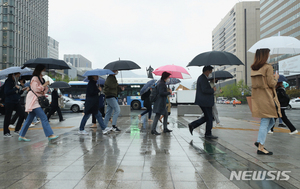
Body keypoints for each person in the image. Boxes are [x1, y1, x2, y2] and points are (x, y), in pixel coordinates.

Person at [251, 49, 281, 155]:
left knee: (271, 121)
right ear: (264, 56)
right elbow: (271, 84)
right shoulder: (268, 67)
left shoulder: (254, 68)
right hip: (267, 97)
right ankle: (261, 147)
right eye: (268, 54)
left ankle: (259, 141)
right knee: (265, 121)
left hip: (258, 98)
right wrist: (276, 78)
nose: (269, 56)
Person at [19, 64, 59, 142]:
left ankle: (21, 135)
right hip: (33, 99)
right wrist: (44, 85)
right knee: (43, 117)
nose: (44, 71)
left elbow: (43, 91)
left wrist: (46, 85)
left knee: (29, 119)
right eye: (43, 70)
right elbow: (35, 89)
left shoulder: (42, 79)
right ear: (40, 70)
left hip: (37, 99)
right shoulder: (34, 78)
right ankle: (50, 135)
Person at [188, 66, 217, 139]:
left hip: (204, 101)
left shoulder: (202, 78)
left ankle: (193, 125)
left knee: (208, 117)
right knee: (209, 117)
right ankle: (207, 133)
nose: (211, 74)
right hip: (205, 102)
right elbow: (204, 90)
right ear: (207, 71)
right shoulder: (203, 79)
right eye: (210, 72)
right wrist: (212, 90)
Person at [3, 72, 26, 137]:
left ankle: (17, 129)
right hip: (9, 102)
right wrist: (15, 88)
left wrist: (21, 91)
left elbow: (17, 93)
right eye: (17, 75)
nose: (18, 77)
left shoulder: (14, 82)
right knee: (8, 117)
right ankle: (6, 132)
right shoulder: (8, 81)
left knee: (22, 115)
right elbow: (6, 92)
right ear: (13, 75)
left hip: (15, 101)